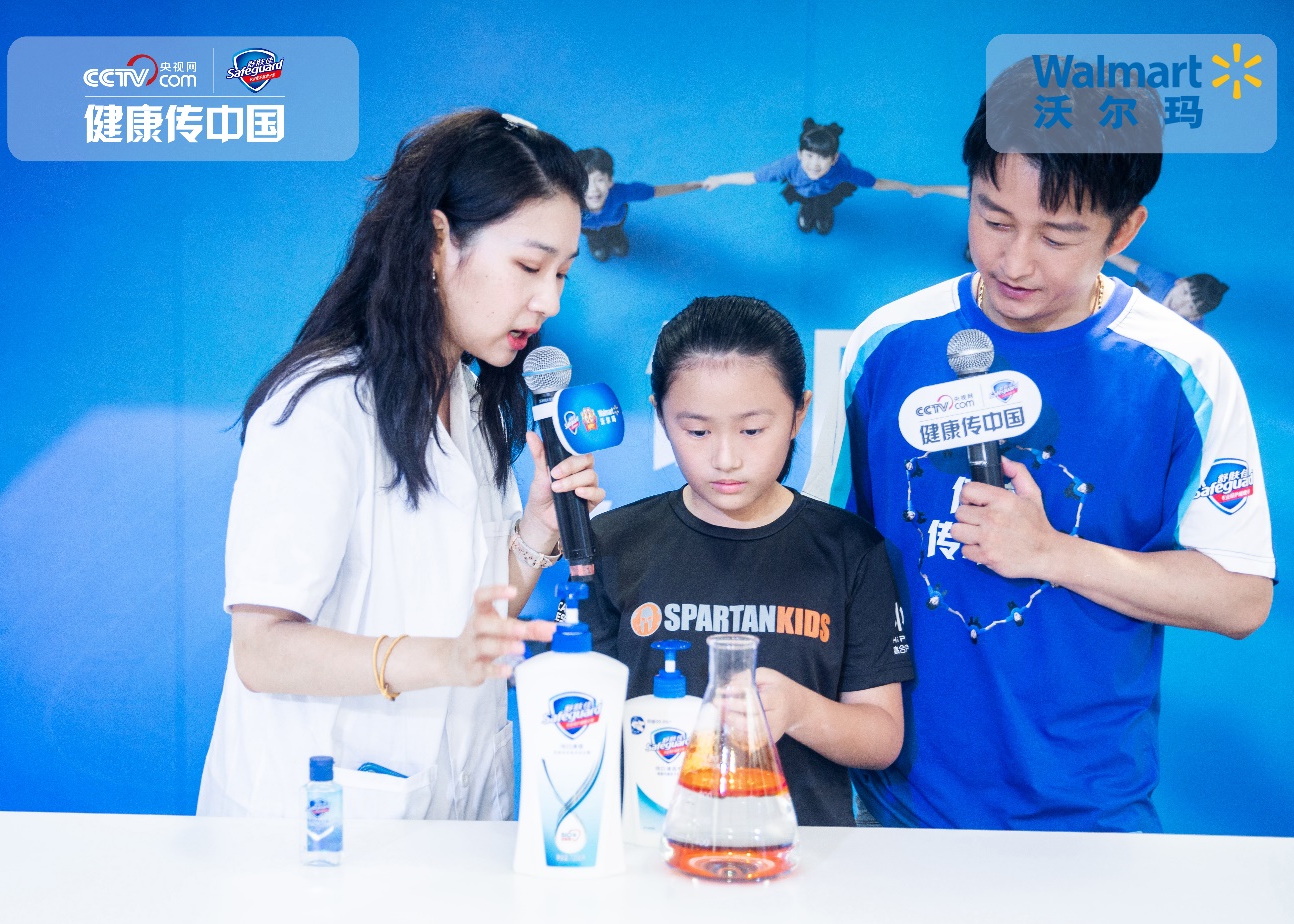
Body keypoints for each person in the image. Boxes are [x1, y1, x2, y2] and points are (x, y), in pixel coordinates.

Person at [803, 69, 1275, 832]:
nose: (1015, 262)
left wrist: (1053, 553)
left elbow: (1241, 597)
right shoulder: (888, 344)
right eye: (993, 218)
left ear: (1124, 232)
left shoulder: (1182, 370)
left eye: (1057, 237)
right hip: (894, 815)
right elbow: (821, 558)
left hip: (1091, 821)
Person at [197, 110, 605, 820]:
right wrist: (441, 660)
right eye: (530, 266)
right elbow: (261, 651)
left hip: (452, 811)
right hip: (313, 828)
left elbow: (477, 622)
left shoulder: (471, 401)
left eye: (563, 273)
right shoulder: (322, 406)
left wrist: (539, 530)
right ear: (437, 240)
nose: (550, 300)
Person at [586, 295, 914, 826]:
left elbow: (882, 738)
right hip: (647, 850)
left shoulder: (851, 550)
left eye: (752, 430)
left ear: (799, 413)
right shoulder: (612, 543)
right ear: (661, 417)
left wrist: (800, 710)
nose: (726, 458)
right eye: (697, 431)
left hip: (799, 853)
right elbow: (579, 715)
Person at [701, 118, 938, 235]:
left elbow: (877, 183)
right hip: (802, 191)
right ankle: (807, 211)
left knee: (825, 204)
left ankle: (824, 213)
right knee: (807, 202)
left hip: (828, 191)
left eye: (823, 158)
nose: (815, 164)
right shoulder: (787, 166)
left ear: (834, 158)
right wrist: (719, 179)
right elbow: (752, 177)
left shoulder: (843, 169)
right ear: (799, 154)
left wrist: (908, 186)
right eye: (809, 156)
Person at [576, 147, 701, 262]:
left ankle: (615, 238)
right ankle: (596, 244)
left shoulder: (621, 192)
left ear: (610, 181)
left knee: (615, 231)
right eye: (584, 182)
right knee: (593, 236)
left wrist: (699, 184)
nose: (593, 189)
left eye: (600, 180)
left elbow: (657, 191)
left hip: (615, 221)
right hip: (587, 227)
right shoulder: (571, 203)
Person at [1106, 252, 1229, 326]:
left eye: (1191, 307)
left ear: (1195, 317)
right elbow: (1132, 265)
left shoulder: (1190, 331)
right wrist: (1105, 253)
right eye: (1184, 292)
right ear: (1180, 281)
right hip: (1144, 298)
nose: (1179, 303)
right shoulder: (1161, 280)